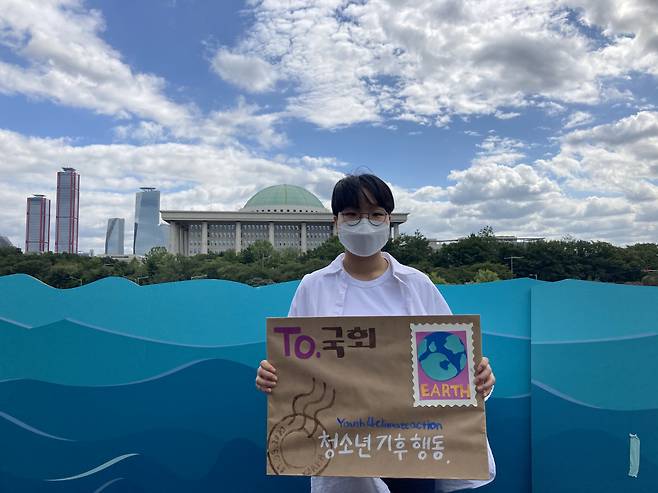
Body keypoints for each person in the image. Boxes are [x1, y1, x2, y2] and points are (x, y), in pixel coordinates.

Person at [256, 173, 496, 493]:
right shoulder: (313, 286)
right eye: (352, 214)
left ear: (388, 220)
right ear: (336, 221)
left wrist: (478, 377)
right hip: (341, 448)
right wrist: (272, 376)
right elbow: (293, 367)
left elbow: (452, 359)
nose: (364, 223)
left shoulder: (417, 284)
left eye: (375, 214)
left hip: (412, 445)